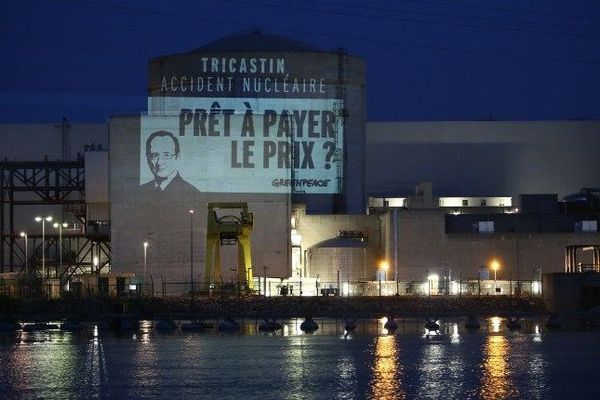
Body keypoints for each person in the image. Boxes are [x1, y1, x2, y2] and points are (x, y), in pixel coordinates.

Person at [140, 130, 199, 195]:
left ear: (177, 157)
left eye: (166, 155)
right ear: (148, 157)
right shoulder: (140, 191)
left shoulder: (192, 193)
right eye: (155, 155)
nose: (159, 162)